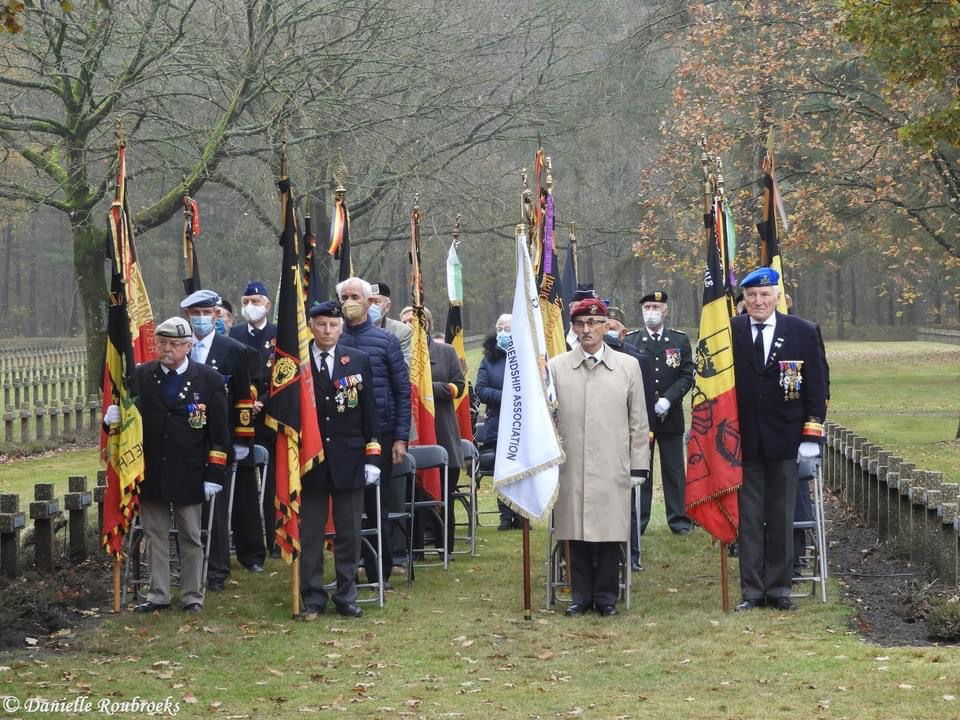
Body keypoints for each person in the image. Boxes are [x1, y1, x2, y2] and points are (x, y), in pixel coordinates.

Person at [104, 317, 229, 613]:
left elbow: (219, 434)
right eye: (162, 343)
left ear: (188, 346)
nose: (167, 349)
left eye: (174, 344)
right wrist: (113, 420)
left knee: (190, 536)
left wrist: (215, 473)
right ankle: (158, 593)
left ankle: (192, 596)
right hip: (151, 471)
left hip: (190, 470)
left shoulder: (209, 380)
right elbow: (127, 424)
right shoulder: (140, 376)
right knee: (155, 534)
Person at [731, 267, 828, 612]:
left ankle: (779, 588)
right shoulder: (730, 331)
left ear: (778, 297)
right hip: (743, 441)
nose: (758, 301)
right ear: (743, 299)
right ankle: (752, 591)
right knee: (751, 519)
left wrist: (811, 435)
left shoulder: (802, 332)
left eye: (765, 295)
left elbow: (817, 388)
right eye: (752, 296)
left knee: (782, 516)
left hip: (787, 441)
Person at [550, 298, 650, 617]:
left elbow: (638, 420)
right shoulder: (557, 366)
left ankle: (607, 596)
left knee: (609, 532)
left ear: (607, 326)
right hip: (572, 462)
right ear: (573, 328)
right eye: (581, 324)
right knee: (575, 531)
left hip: (612, 463)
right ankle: (580, 595)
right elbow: (547, 416)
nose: (587, 330)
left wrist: (639, 465)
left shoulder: (627, 366)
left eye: (594, 323)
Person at [300, 301, 381, 619]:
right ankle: (313, 595)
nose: (327, 331)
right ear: (310, 325)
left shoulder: (357, 360)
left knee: (349, 532)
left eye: (333, 325)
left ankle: (346, 594)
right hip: (312, 460)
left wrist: (372, 456)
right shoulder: (299, 362)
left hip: (349, 458)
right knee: (312, 534)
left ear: (341, 328)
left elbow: (369, 411)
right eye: (321, 324)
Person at [181, 289, 258, 590]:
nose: (201, 319)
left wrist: (242, 439)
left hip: (220, 440)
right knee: (188, 507)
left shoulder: (233, 350)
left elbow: (243, 398)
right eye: (195, 314)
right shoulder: (180, 346)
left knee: (216, 507)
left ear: (216, 315)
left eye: (206, 313)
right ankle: (190, 566)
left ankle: (216, 570)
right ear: (188, 316)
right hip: (186, 440)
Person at [337, 277, 411, 587]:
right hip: (341, 436)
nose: (349, 301)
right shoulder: (333, 338)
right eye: (345, 296)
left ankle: (380, 569)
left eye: (355, 296)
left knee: (375, 506)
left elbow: (401, 391)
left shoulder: (386, 342)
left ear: (370, 302)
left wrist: (400, 437)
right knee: (345, 508)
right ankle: (347, 568)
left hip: (378, 437)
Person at [625, 291, 695, 535]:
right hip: (641, 418)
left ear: (665, 310)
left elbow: (687, 375)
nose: (651, 312)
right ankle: (639, 521)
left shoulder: (679, 340)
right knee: (641, 469)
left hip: (671, 415)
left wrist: (668, 399)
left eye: (656, 307)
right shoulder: (632, 341)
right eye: (647, 307)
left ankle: (679, 520)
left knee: (674, 470)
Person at [229, 281, 279, 557]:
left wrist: (264, 401)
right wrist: (246, 402)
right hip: (242, 417)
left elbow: (284, 375)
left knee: (271, 483)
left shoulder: (279, 334)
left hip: (270, 417)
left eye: (257, 301)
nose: (251, 306)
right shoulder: (234, 334)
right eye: (247, 301)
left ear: (268, 305)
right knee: (245, 481)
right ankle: (245, 541)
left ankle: (274, 540)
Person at [604, 306, 656, 571]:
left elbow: (644, 407)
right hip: (599, 444)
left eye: (614, 326)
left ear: (623, 331)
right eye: (607, 325)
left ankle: (632, 554)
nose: (609, 331)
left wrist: (642, 446)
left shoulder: (638, 360)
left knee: (629, 502)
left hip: (625, 444)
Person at [413, 306, 465, 558]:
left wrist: (427, 388)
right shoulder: (401, 353)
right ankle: (415, 549)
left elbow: (459, 386)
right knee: (413, 497)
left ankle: (446, 547)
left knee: (445, 493)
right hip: (413, 435)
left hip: (443, 433)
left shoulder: (446, 352)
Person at [475, 313, 522, 530]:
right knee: (502, 470)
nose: (505, 332)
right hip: (497, 423)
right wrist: (507, 397)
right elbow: (481, 390)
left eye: (509, 328)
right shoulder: (488, 359)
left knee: (521, 469)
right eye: (501, 328)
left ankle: (522, 515)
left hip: (522, 423)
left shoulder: (526, 356)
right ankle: (505, 516)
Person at [370, 282, 413, 367]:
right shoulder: (352, 328)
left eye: (376, 302)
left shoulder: (402, 331)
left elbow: (404, 367)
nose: (371, 306)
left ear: (387, 307)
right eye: (369, 301)